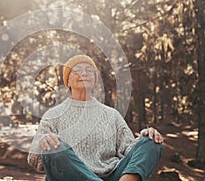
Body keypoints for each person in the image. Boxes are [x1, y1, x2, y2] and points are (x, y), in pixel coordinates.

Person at [27, 55, 163, 181]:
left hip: (113, 176)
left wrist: (145, 137)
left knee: (152, 141)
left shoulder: (111, 115)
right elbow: (34, 159)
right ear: (67, 80)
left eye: (89, 70)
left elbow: (129, 149)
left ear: (95, 80)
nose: (84, 73)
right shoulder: (53, 115)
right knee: (53, 145)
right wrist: (43, 143)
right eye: (77, 70)